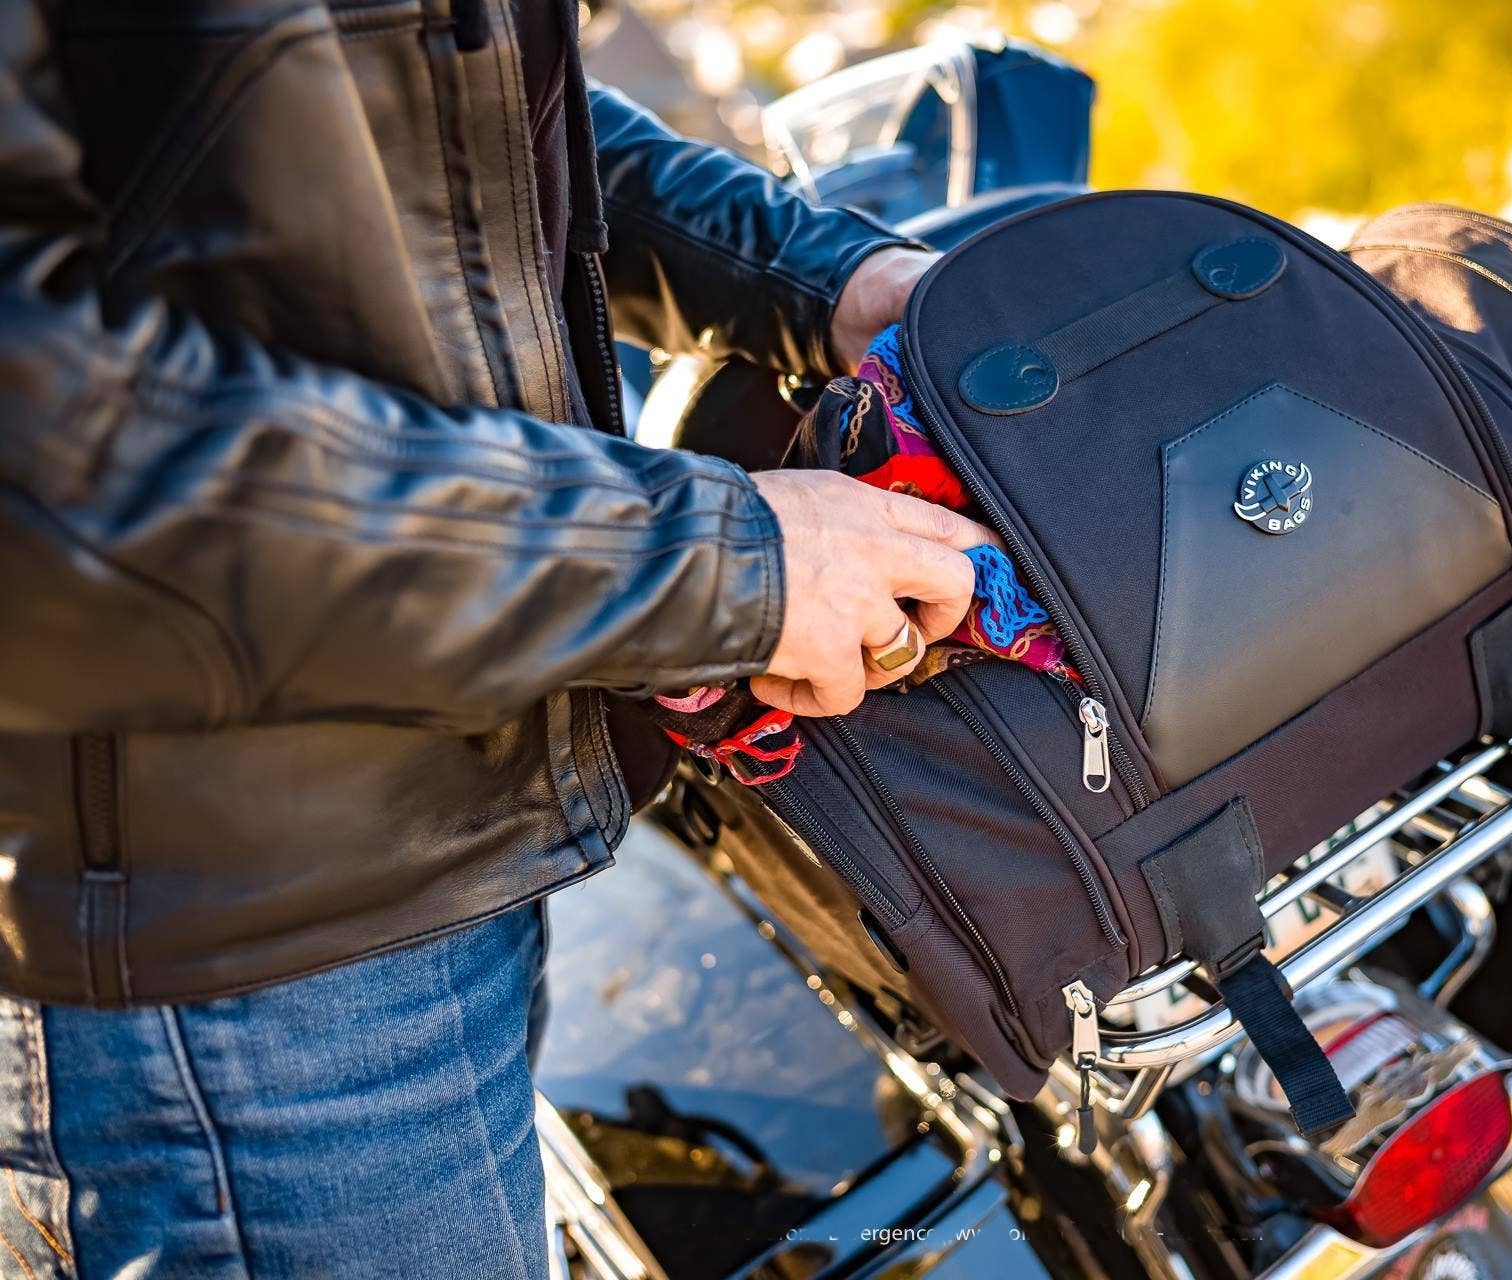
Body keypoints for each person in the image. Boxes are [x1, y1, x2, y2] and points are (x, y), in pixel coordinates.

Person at [0, 2, 992, 1274]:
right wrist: (728, 563)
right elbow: (48, 462)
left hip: (440, 835)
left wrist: (819, 279)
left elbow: (458, 149)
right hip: (256, 956)